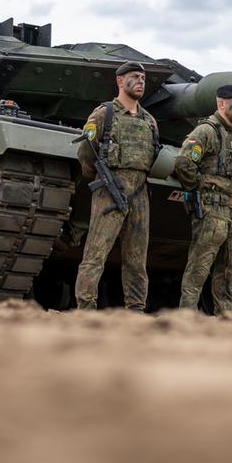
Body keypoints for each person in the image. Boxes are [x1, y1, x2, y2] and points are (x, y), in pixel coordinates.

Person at [75, 61, 159, 311]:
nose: (141, 81)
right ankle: (86, 307)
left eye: (143, 77)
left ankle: (135, 309)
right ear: (120, 81)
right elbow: (86, 151)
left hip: (140, 192)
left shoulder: (149, 120)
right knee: (95, 254)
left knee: (136, 259)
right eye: (135, 76)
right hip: (111, 188)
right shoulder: (105, 114)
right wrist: (101, 179)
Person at [174, 85, 232, 315]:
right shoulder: (207, 131)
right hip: (213, 212)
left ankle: (224, 318)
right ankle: (186, 316)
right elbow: (184, 164)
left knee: (228, 272)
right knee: (198, 268)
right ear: (221, 104)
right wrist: (200, 188)